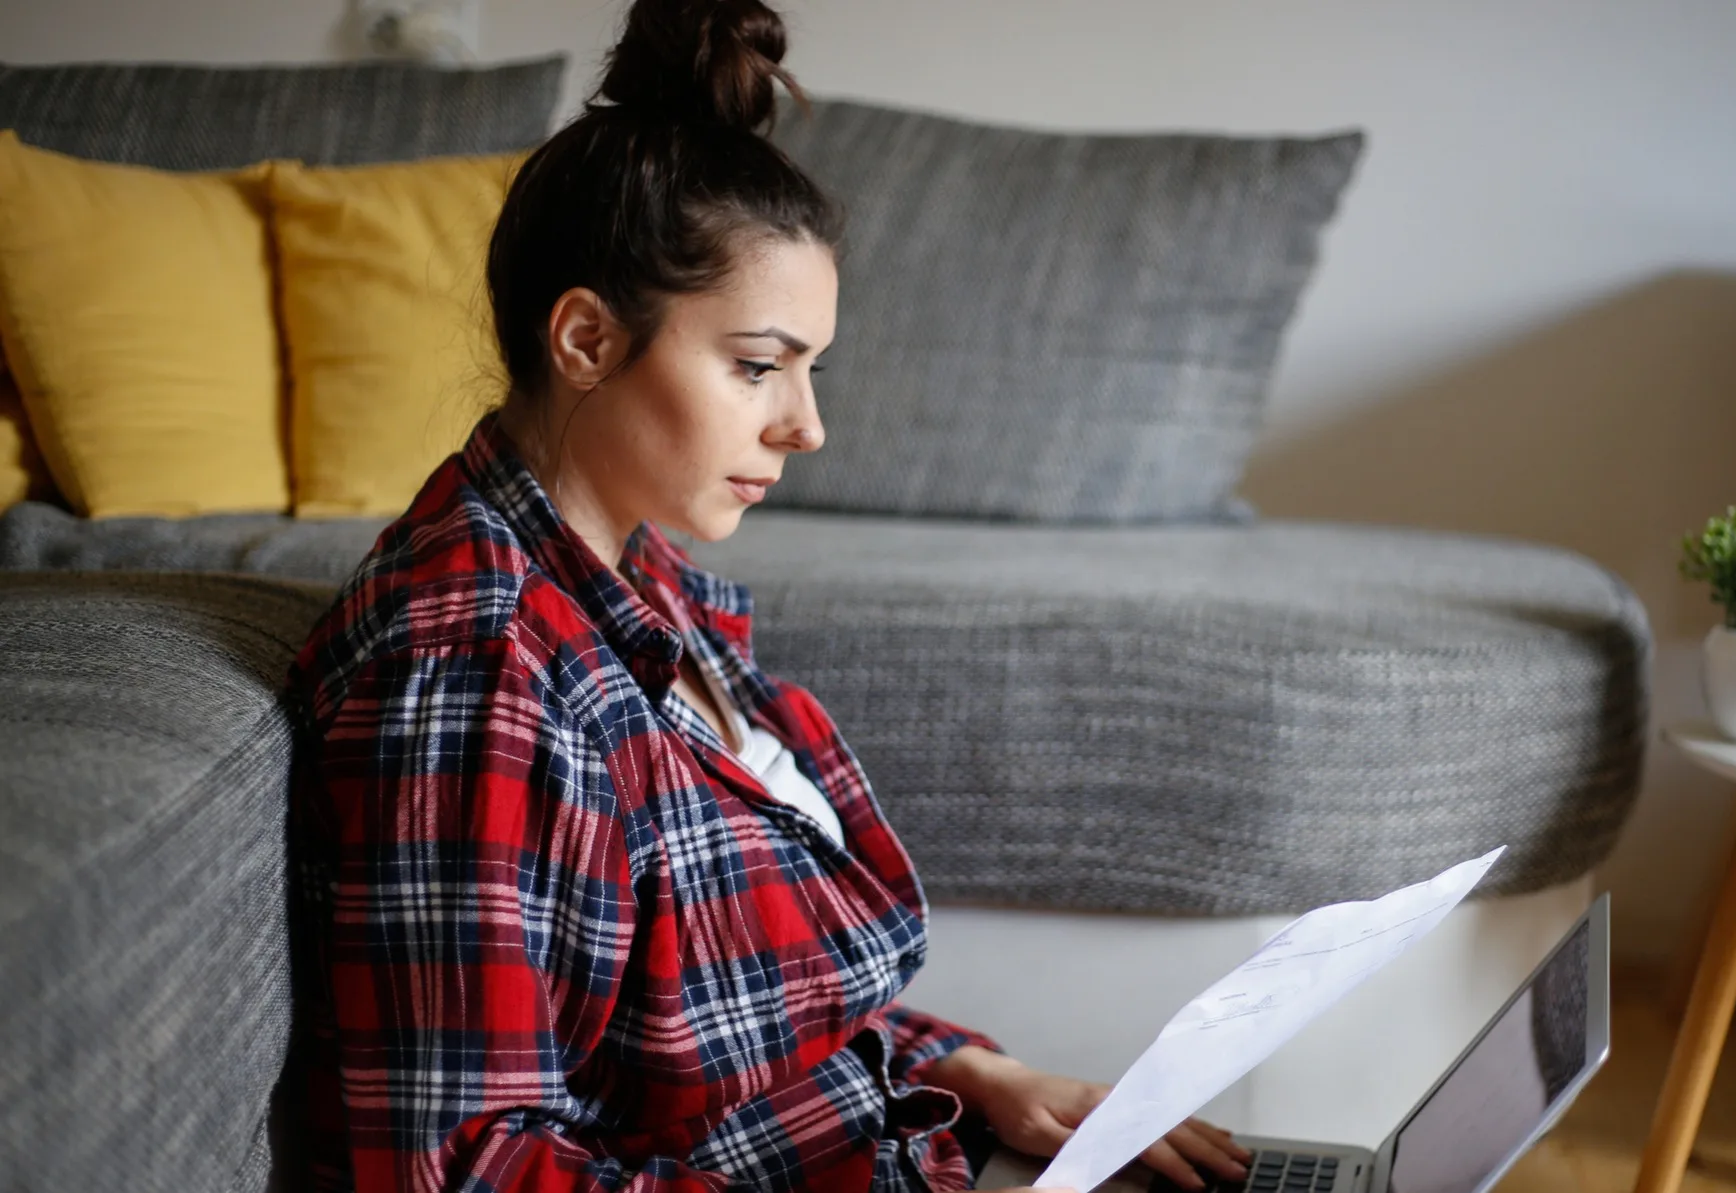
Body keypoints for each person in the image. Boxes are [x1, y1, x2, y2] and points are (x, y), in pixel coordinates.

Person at [281, 0, 1255, 1189]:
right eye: (756, 366)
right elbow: (468, 1170)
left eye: (808, 368)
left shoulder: (641, 591)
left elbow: (714, 1019)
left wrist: (969, 1075)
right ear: (586, 339)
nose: (806, 426)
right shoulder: (479, 676)